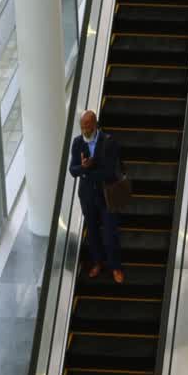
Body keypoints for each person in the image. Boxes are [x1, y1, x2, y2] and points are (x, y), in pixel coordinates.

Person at [69, 110, 125, 284]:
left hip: (106, 195)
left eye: (87, 126)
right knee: (92, 232)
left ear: (95, 124)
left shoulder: (108, 142)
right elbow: (72, 170)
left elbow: (109, 172)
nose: (84, 130)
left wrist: (87, 171)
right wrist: (84, 169)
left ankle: (115, 267)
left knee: (110, 233)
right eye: (82, 127)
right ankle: (98, 262)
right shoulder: (78, 143)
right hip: (87, 196)